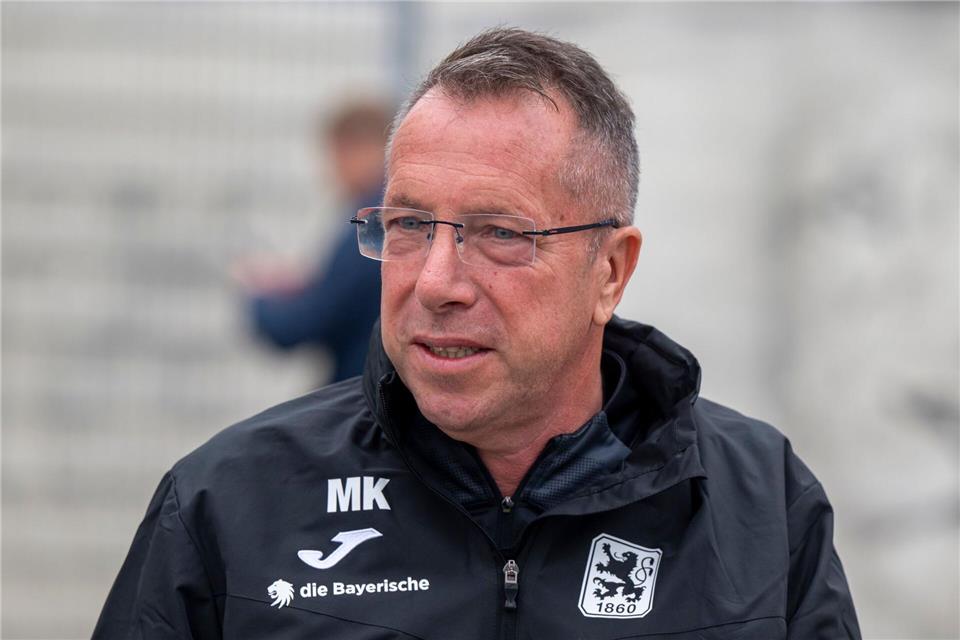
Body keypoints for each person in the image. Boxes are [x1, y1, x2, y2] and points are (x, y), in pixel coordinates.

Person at [95, 28, 861, 639]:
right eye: (409, 225)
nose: (437, 283)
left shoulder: (762, 510)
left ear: (609, 271)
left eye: (500, 233)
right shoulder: (229, 505)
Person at [236, 100, 389, 383]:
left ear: (353, 149)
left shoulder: (373, 221)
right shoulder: (401, 213)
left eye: (334, 156)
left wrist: (258, 296)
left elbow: (304, 323)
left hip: (361, 387)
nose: (330, 172)